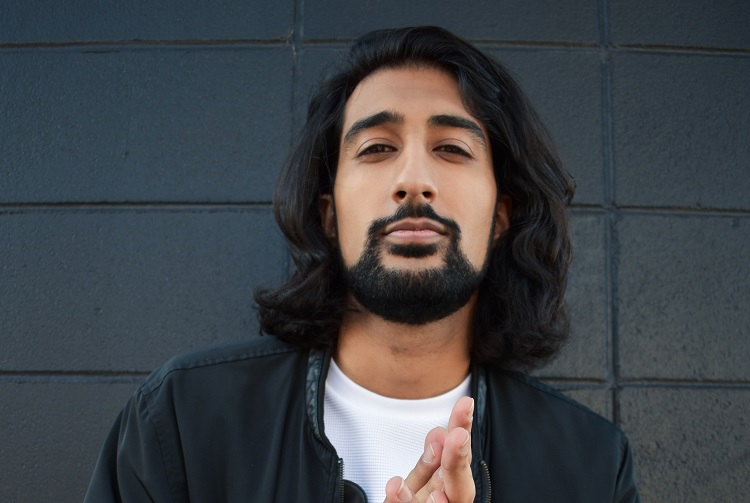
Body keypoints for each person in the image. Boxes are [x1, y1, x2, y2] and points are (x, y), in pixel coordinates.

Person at [84, 26, 639, 502]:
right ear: (329, 214)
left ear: (500, 215)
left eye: (452, 148)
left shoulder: (590, 467)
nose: (413, 180)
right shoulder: (185, 422)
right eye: (376, 148)